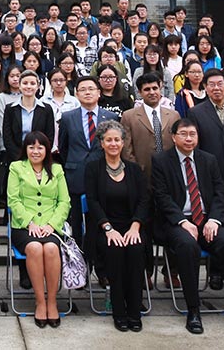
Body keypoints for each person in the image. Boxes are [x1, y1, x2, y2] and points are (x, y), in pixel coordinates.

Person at [151, 117, 224, 335]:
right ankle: (193, 309)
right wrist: (182, 221)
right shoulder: (161, 161)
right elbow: (161, 197)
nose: (189, 139)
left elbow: (220, 192)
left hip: (208, 220)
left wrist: (214, 219)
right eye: (183, 134)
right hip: (178, 221)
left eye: (193, 134)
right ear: (173, 137)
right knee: (187, 247)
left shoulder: (209, 160)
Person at [85, 121, 149, 332]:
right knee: (114, 250)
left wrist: (135, 227)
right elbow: (92, 202)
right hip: (104, 228)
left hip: (131, 227)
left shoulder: (133, 169)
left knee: (136, 249)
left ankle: (134, 310)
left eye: (117, 140)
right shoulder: (93, 168)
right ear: (101, 143)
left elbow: (143, 201)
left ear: (123, 143)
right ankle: (119, 311)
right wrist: (108, 228)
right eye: (109, 140)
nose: (113, 144)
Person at [9, 130, 70, 328]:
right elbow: (13, 199)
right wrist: (30, 223)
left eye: (40, 147)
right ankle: (40, 301)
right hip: (24, 226)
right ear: (25, 149)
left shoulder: (57, 169)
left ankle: (52, 301)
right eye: (31, 147)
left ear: (47, 149)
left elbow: (64, 202)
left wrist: (52, 224)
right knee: (34, 248)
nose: (36, 151)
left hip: (51, 225)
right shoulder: (16, 168)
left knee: (51, 249)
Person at [58, 76, 119, 261]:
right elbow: (63, 147)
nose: (87, 92)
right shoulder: (68, 118)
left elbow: (115, 147)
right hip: (75, 177)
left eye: (91, 89)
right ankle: (79, 268)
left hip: (102, 175)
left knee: (100, 223)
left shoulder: (111, 117)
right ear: (76, 94)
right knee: (76, 224)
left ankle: (102, 269)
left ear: (99, 93)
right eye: (82, 89)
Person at [121, 73, 180, 179]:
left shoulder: (173, 115)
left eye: (155, 88)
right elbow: (126, 149)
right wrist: (135, 169)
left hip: (171, 172)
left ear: (160, 89)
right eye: (147, 89)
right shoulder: (128, 116)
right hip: (142, 173)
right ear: (140, 92)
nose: (152, 92)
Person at [2, 70, 55, 163]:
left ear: (38, 87)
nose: (29, 86)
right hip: (15, 159)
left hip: (40, 158)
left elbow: (49, 137)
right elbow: (7, 137)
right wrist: (19, 158)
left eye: (33, 83)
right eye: (25, 83)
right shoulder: (10, 108)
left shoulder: (46, 109)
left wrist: (38, 155)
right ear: (19, 86)